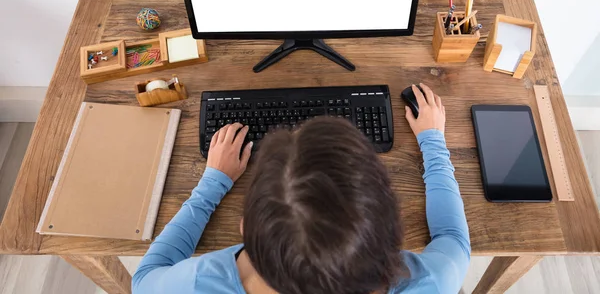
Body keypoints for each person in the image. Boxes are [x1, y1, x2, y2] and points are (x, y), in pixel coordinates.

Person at [132, 83, 470, 294]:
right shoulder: (431, 283)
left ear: (245, 228)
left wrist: (214, 182)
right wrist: (433, 141)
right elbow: (453, 238)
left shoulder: (201, 283)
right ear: (392, 230)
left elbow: (145, 277)